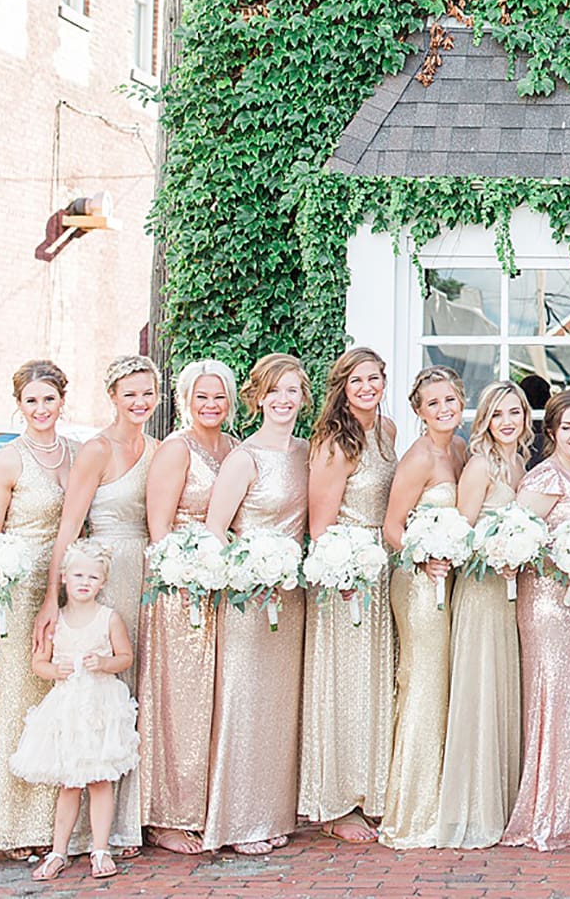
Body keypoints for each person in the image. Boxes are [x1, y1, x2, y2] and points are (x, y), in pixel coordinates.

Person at [0, 360, 75, 858]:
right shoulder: (8, 462)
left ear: (62, 402)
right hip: (18, 587)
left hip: (69, 585)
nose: (41, 408)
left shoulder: (76, 454)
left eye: (48, 399)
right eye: (31, 400)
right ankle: (9, 826)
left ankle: (56, 824)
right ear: (19, 405)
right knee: (19, 694)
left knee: (58, 697)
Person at [203, 354, 312, 855]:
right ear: (259, 397)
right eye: (275, 391)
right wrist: (248, 574)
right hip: (249, 599)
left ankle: (273, 814)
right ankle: (240, 821)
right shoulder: (244, 458)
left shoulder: (307, 453)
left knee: (279, 707)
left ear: (303, 397)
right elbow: (215, 530)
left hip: (290, 597)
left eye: (292, 390)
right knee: (244, 702)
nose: (284, 399)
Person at [139, 359, 238, 855]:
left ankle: (210, 807)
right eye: (202, 396)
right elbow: (159, 529)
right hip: (179, 586)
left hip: (224, 586)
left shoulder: (235, 448)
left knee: (217, 698)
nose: (211, 405)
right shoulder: (176, 449)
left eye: (219, 396)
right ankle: (167, 815)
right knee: (179, 699)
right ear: (185, 400)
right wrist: (185, 575)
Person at [300, 347, 398, 843]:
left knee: (376, 683)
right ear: (342, 385)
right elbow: (320, 527)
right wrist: (343, 573)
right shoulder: (334, 442)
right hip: (347, 576)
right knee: (346, 684)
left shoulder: (388, 431)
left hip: (383, 569)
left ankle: (370, 791)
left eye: (374, 378)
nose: (367, 387)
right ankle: (337, 802)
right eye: (357, 380)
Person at [501, 389, 570, 850]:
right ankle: (546, 814)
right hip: (548, 606)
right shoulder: (545, 476)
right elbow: (514, 539)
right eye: (568, 427)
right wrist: (561, 557)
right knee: (553, 701)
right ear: (552, 432)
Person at [70, 355, 161, 855]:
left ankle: (131, 817)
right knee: (102, 689)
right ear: (113, 396)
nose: (140, 402)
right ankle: (91, 825)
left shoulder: (158, 449)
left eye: (147, 393)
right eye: (130, 394)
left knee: (139, 686)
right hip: (105, 575)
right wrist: (56, 599)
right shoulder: (96, 450)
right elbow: (71, 525)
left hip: (147, 573)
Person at [436, 380, 531, 847]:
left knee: (502, 688)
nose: (507, 421)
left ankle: (503, 799)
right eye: (498, 414)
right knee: (479, 689)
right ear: (486, 421)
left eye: (514, 412)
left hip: (509, 595)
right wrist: (497, 552)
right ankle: (473, 809)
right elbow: (461, 535)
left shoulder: (520, 463)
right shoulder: (479, 466)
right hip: (480, 592)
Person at [12, 539, 140, 882]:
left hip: (100, 708)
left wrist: (104, 663)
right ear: (64, 577)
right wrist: (55, 670)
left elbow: (125, 657)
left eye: (93, 577)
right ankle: (59, 851)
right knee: (68, 783)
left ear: (103, 581)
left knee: (100, 780)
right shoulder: (56, 620)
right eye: (79, 575)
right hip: (67, 709)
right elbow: (38, 663)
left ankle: (100, 849)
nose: (85, 582)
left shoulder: (109, 618)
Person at [379, 366, 468, 849]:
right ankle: (415, 813)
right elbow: (392, 526)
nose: (443, 409)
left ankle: (446, 799)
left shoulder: (459, 450)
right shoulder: (418, 458)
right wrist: (423, 555)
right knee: (424, 685)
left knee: (446, 685)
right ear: (419, 411)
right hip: (419, 584)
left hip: (451, 582)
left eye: (449, 399)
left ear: (461, 400)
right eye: (433, 403)